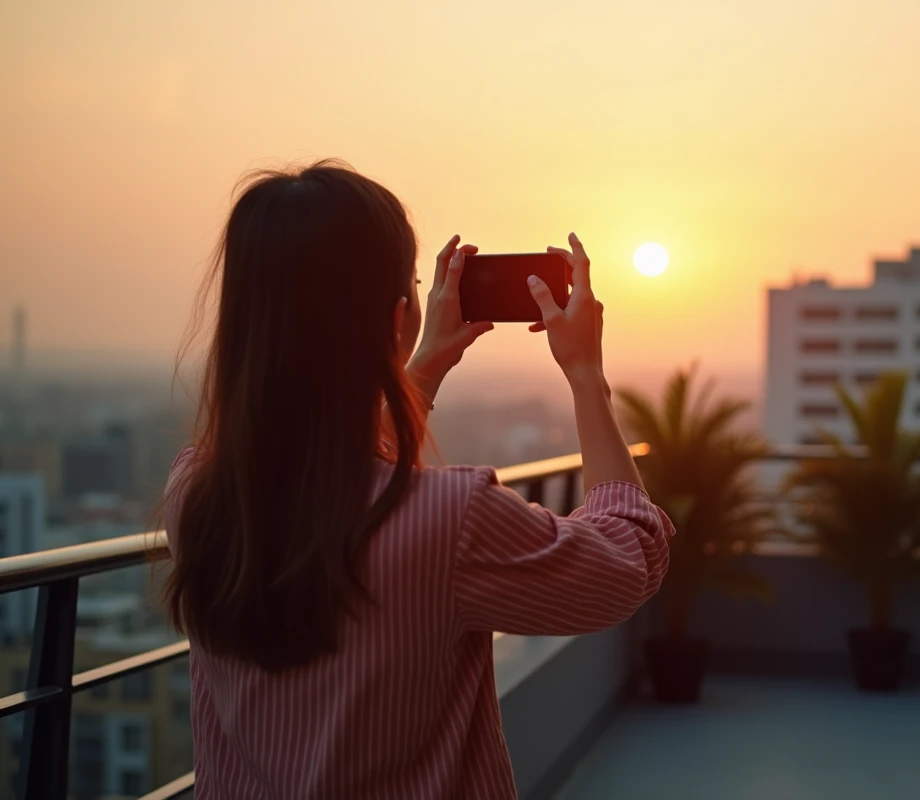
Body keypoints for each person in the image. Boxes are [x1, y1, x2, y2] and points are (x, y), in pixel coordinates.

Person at [161, 161, 674, 799]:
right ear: (398, 313)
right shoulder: (448, 518)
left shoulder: (195, 496)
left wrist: (425, 363)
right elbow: (628, 561)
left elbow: (326, 476)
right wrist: (586, 375)